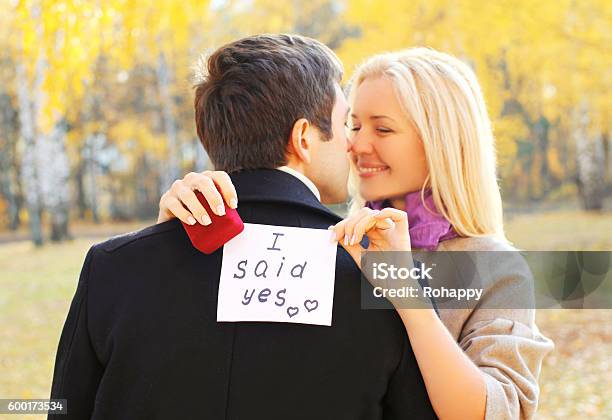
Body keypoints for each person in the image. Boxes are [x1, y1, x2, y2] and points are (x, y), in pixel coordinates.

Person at [49, 34, 437, 420]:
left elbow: (63, 409)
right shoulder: (388, 278)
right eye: (344, 125)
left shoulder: (112, 266)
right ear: (303, 138)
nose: (351, 146)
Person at [158, 47, 554, 419]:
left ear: (440, 143)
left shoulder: (495, 268)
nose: (355, 144)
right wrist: (169, 235)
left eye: (382, 130)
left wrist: (407, 296)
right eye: (353, 125)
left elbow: (498, 411)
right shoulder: (327, 241)